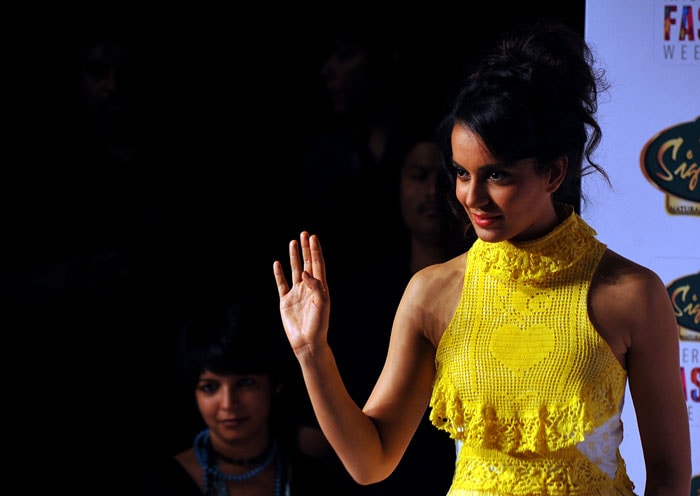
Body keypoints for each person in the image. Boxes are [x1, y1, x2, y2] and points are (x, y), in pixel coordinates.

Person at [272, 18, 691, 495]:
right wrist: (312, 353)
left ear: (554, 172)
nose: (471, 197)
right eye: (461, 173)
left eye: (497, 176)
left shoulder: (632, 294)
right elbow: (372, 461)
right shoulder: (434, 292)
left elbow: (670, 474)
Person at [133, 293, 348, 495]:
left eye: (245, 383)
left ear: (275, 385)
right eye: (210, 387)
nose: (228, 404)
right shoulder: (164, 485)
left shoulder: (314, 467)